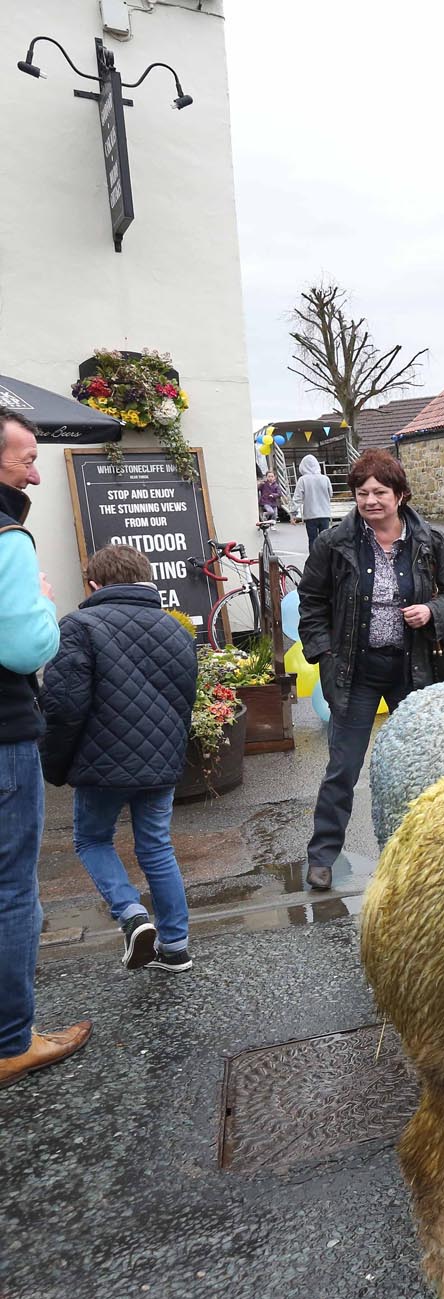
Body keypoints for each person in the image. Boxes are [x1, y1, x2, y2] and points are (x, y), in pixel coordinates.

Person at [298, 451, 444, 892]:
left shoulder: (429, 541)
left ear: (400, 495)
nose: (370, 500)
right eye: (362, 493)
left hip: (414, 670)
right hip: (355, 671)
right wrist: (325, 654)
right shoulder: (333, 544)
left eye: (380, 492)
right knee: (343, 768)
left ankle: (430, 854)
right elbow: (311, 603)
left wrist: (432, 612)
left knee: (422, 766)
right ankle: (322, 856)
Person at [40, 545, 199, 972]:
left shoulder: (78, 626)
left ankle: (130, 913)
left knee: (92, 840)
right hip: (160, 760)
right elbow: (185, 699)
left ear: (94, 585)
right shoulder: (176, 628)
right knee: (156, 847)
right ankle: (176, 946)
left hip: (101, 763)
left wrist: (54, 764)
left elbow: (64, 705)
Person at [0, 410, 91, 1088]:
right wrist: (43, 600)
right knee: (10, 888)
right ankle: (11, 1040)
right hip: (3, 736)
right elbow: (28, 647)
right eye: (26, 459)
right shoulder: (8, 535)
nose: (35, 474)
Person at [295, 452, 333, 548]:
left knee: (312, 539)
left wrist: (293, 514)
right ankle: (325, 557)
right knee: (325, 540)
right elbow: (331, 494)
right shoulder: (325, 478)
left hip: (310, 515)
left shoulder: (302, 480)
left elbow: (297, 498)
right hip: (324, 513)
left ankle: (313, 557)